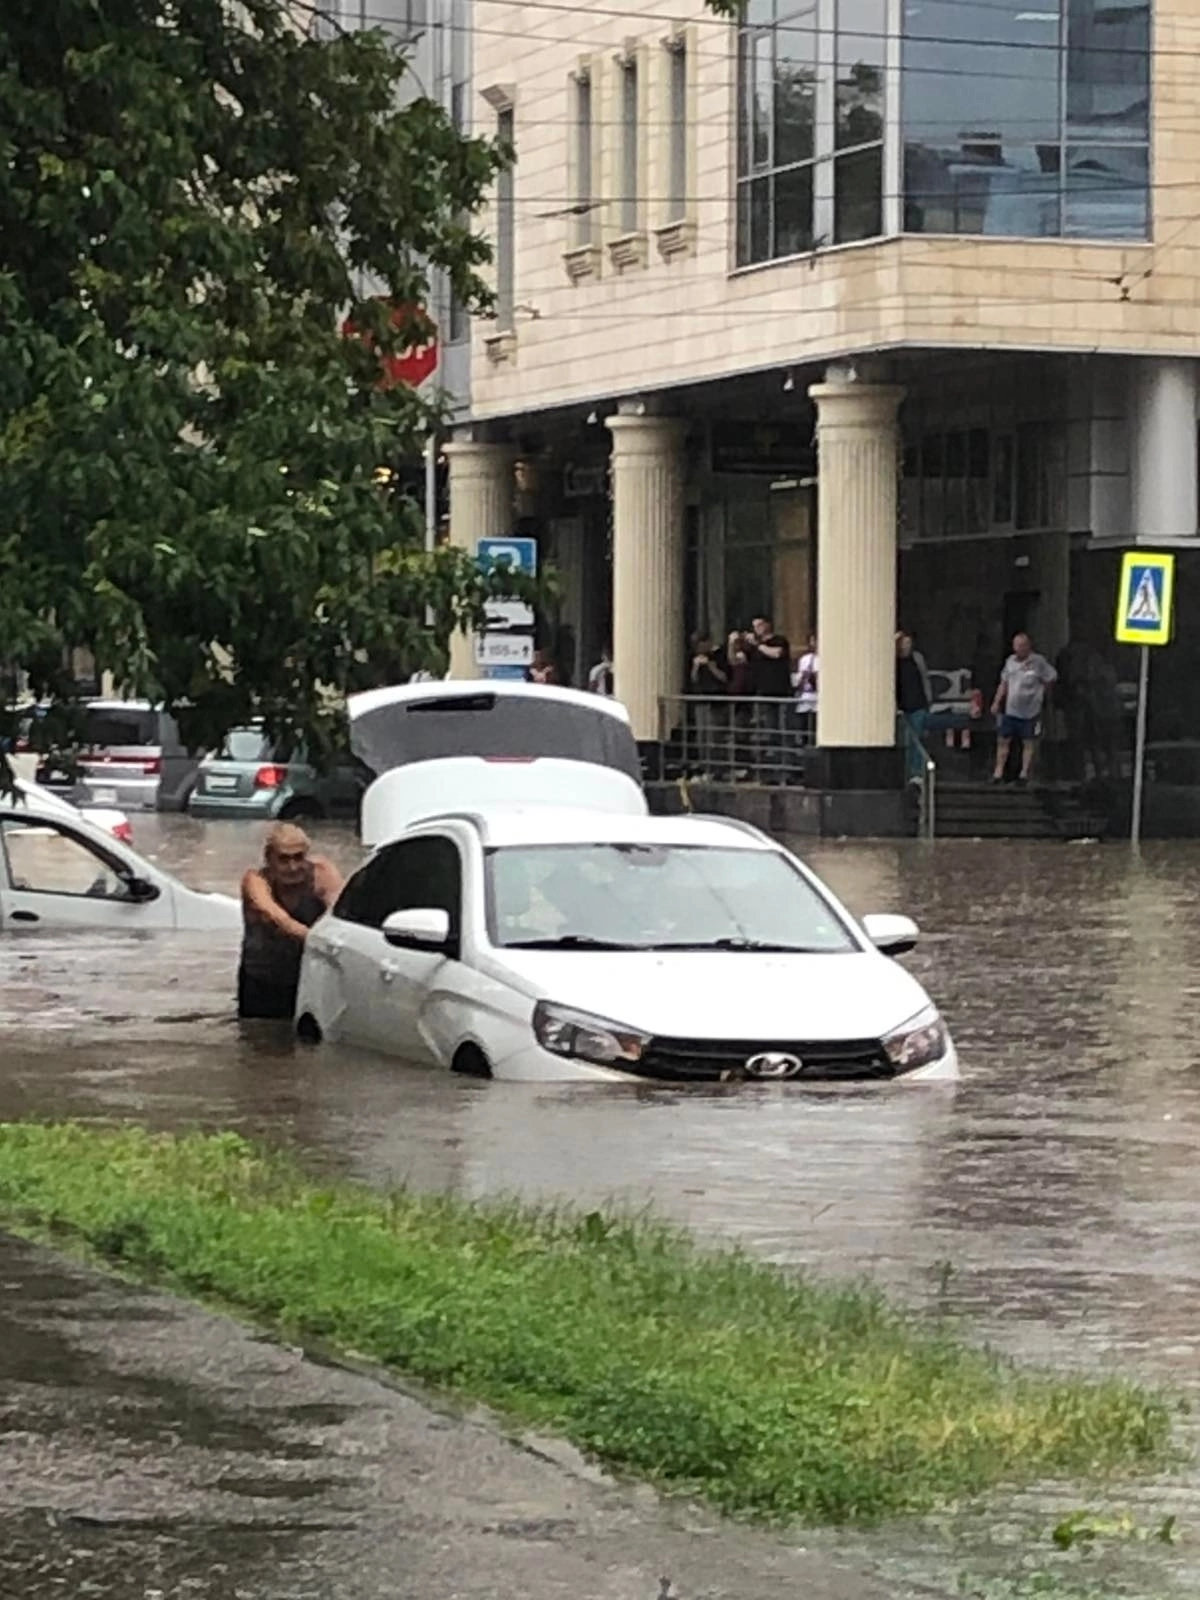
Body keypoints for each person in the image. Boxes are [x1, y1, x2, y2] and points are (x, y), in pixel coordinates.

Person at [238, 823, 343, 1019]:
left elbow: (339, 915)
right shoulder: (256, 881)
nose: (293, 867)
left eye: (298, 857)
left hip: (306, 979)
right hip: (262, 983)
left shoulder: (321, 873)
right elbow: (278, 918)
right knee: (259, 1040)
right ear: (269, 859)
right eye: (284, 859)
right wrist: (321, 941)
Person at [991, 632, 1057, 784]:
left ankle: (1024, 774)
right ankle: (998, 773)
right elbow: (1004, 683)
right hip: (1011, 709)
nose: (1018, 649)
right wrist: (996, 702)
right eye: (1016, 646)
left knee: (1028, 742)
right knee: (1003, 740)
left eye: (1021, 646)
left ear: (1028, 646)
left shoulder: (1038, 662)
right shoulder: (1010, 662)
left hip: (1030, 711)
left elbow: (1051, 678)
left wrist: (1042, 696)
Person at [688, 631, 729, 774]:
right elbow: (693, 679)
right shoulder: (693, 658)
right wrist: (696, 666)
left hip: (715, 701)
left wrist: (711, 666)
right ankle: (704, 765)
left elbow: (724, 678)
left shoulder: (719, 655)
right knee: (702, 736)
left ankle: (716, 767)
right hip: (700, 700)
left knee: (714, 736)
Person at [896, 631, 932, 780]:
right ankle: (905, 770)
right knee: (905, 740)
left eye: (909, 643)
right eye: (904, 643)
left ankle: (916, 771)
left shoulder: (917, 659)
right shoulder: (894, 662)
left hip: (918, 704)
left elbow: (924, 678)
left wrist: (928, 698)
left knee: (916, 738)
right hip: (902, 706)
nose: (907, 646)